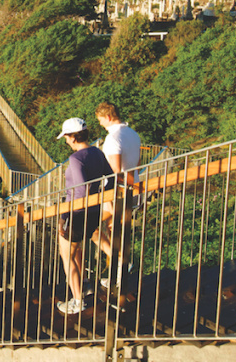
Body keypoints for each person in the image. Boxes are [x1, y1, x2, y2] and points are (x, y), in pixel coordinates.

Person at [56, 117, 114, 315]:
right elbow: (111, 178)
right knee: (77, 250)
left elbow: (80, 191)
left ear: (73, 137)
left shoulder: (76, 159)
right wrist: (102, 197)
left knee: (67, 256)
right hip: (94, 211)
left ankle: (78, 300)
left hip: (78, 213)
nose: (65, 141)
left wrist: (65, 216)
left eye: (66, 137)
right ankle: (83, 286)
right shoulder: (97, 152)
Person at [93, 102, 142, 271]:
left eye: (100, 120)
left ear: (107, 117)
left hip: (116, 192)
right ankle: (120, 265)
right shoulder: (134, 135)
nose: (100, 124)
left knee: (91, 227)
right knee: (112, 228)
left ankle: (120, 263)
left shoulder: (113, 138)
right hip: (133, 188)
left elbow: (114, 171)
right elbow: (138, 164)